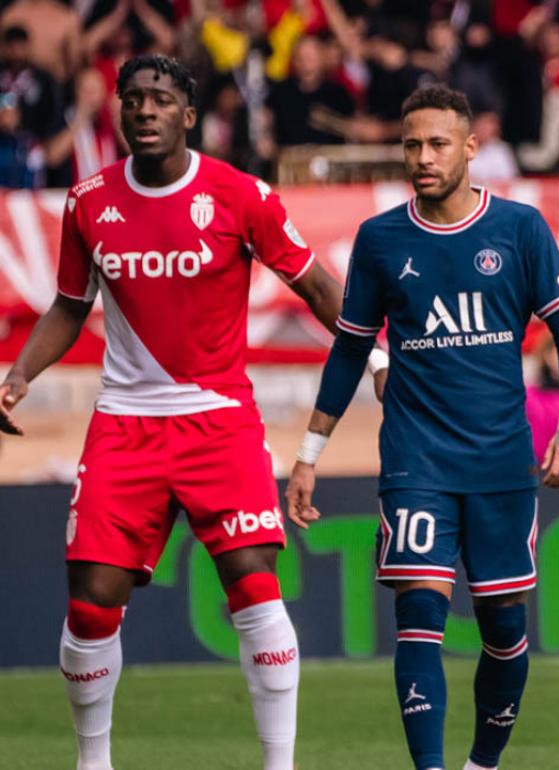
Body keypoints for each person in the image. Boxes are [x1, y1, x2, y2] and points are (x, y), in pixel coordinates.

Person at [0, 54, 365, 770]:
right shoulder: (88, 202)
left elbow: (317, 285)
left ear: (188, 115)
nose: (144, 110)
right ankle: (93, 761)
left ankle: (279, 764)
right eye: (131, 98)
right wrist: (16, 375)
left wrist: (376, 358)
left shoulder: (239, 194)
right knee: (91, 603)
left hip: (219, 417)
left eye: (160, 99)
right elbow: (71, 306)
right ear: (117, 111)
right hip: (126, 422)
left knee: (255, 582)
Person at [283, 85, 559, 770]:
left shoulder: (518, 228)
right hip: (416, 461)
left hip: (502, 465)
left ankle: (482, 763)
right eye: (411, 145)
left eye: (437, 144)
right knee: (418, 617)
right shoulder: (380, 238)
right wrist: (309, 453)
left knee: (505, 630)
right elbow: (351, 348)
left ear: (471, 147)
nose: (422, 158)